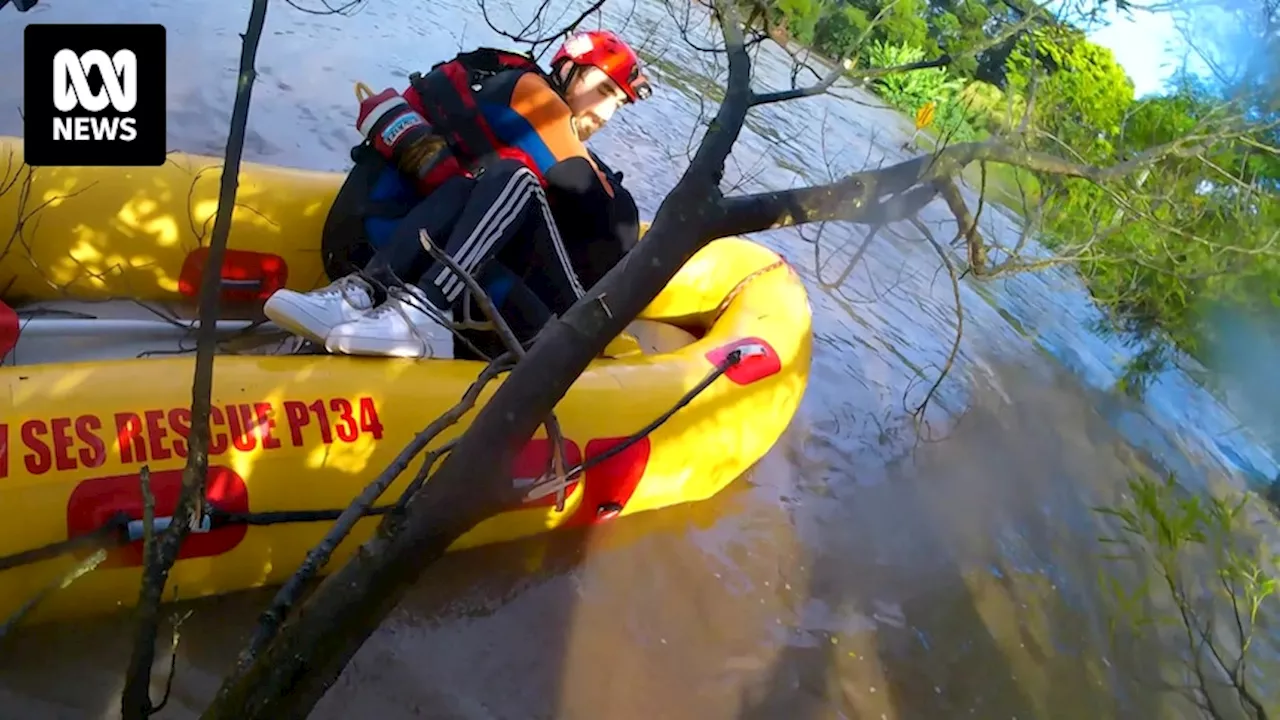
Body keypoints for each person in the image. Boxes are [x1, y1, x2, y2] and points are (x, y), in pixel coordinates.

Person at [263, 30, 652, 359]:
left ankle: (393, 302)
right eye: (602, 90)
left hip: (559, 315)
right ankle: (394, 303)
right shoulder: (538, 103)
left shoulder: (497, 80)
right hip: (546, 309)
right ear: (567, 71)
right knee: (498, 177)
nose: (605, 114)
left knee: (499, 177)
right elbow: (605, 211)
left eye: (617, 104)